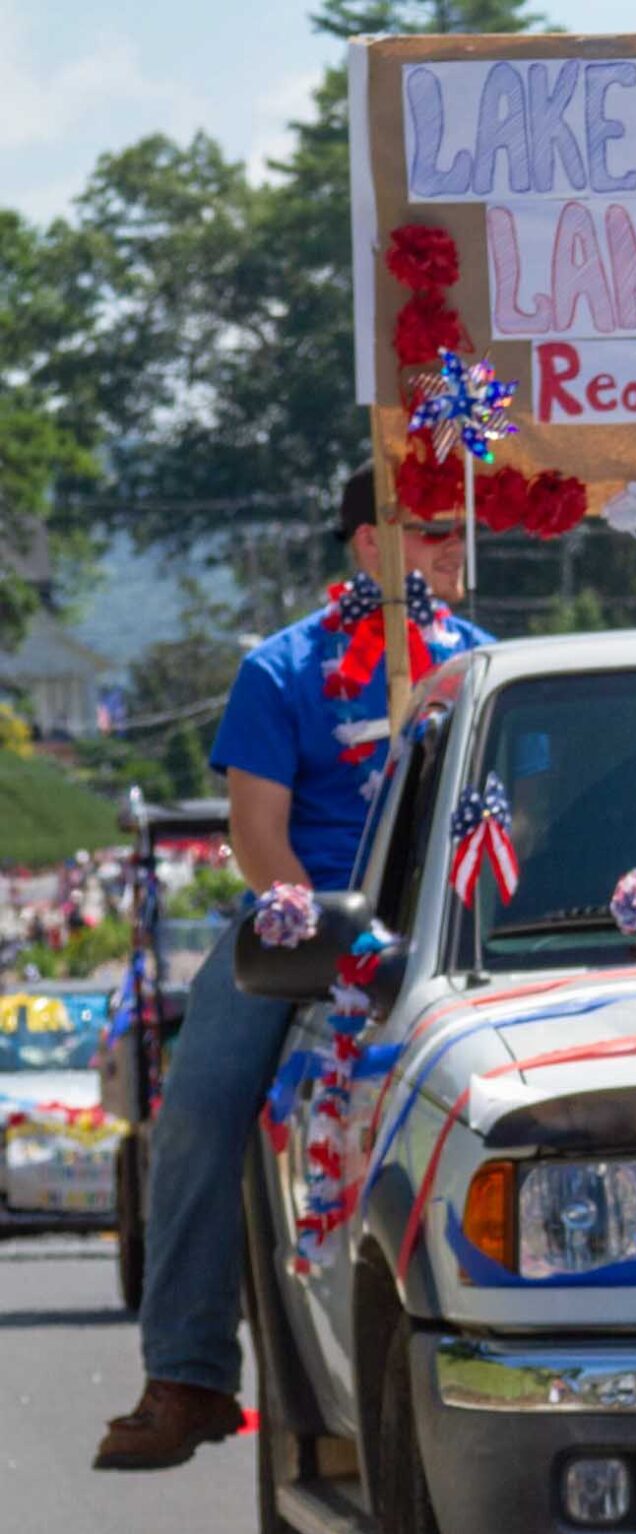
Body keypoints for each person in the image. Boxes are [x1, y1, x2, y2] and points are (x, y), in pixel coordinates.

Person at [94, 469, 492, 1470]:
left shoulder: (484, 670)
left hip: (461, 932)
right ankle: (187, 1375)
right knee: (197, 1114)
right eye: (433, 528)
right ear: (370, 545)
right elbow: (256, 834)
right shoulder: (281, 669)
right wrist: (340, 939)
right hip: (301, 921)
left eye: (461, 528)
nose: (455, 546)